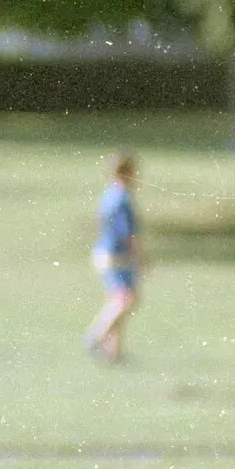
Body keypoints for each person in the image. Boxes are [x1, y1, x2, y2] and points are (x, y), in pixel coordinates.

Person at [85, 150, 142, 363]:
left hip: (103, 252)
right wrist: (141, 258)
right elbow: (129, 234)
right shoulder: (123, 199)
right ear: (128, 173)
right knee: (126, 299)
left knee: (117, 299)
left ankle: (114, 353)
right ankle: (96, 336)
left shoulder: (109, 195)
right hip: (117, 255)